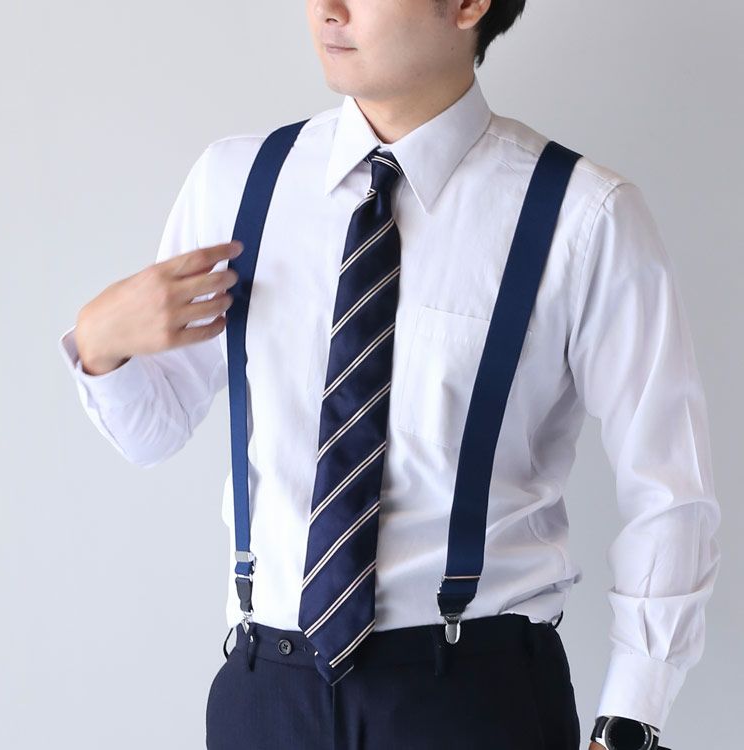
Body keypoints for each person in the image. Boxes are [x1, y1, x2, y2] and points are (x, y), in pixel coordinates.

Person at [58, 1, 721, 749]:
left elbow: (670, 491)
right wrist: (102, 345)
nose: (327, 10)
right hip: (265, 695)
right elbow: (152, 432)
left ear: (468, 5)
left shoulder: (584, 215)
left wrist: (629, 720)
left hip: (473, 698)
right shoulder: (239, 183)